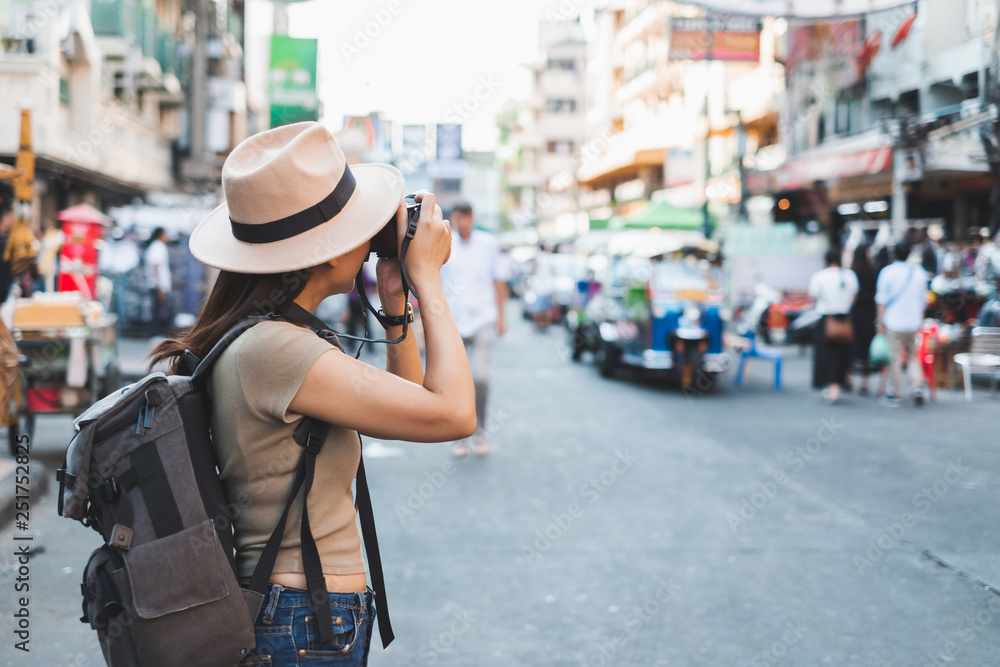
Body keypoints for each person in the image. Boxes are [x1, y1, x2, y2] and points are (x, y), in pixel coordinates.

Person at [150, 122, 475, 666]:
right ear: (323, 252)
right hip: (303, 620)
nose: (371, 237)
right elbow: (454, 414)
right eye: (359, 227)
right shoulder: (276, 350)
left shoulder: (271, 338)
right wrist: (431, 282)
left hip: (300, 615)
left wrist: (396, 301)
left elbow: (404, 403)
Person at [439, 201, 508, 456]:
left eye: (468, 218)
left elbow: (499, 281)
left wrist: (502, 316)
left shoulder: (488, 245)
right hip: (454, 320)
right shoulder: (446, 243)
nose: (464, 223)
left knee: (481, 378)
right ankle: (459, 434)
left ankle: (480, 430)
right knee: (456, 380)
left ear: (473, 218)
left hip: (483, 318)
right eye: (460, 218)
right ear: (455, 219)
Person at [875, 241, 931, 407]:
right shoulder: (920, 273)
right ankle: (917, 388)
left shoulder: (887, 272)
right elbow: (924, 301)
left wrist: (879, 323)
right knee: (912, 356)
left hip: (893, 321)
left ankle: (894, 392)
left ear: (894, 254)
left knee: (895, 358)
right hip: (913, 321)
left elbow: (881, 300)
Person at [809, 249, 859, 404]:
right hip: (844, 319)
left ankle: (830, 388)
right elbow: (854, 297)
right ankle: (837, 385)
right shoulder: (850, 276)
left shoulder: (819, 276)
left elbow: (814, 296)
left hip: (826, 319)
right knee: (841, 354)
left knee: (825, 354)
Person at [849, 245, 878, 395]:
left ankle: (848, 379)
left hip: (854, 314)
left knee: (852, 347)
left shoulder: (851, 272)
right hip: (869, 314)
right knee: (866, 350)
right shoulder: (873, 272)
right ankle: (864, 384)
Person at [144, 226, 172, 336]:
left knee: (157, 309)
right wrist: (160, 286)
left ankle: (156, 332)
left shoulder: (155, 246)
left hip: (157, 284)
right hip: (158, 285)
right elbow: (156, 266)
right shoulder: (158, 247)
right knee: (158, 310)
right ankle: (155, 333)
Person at [530, 244, 555, 331]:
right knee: (547, 309)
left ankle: (538, 324)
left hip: (540, 288)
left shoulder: (539, 257)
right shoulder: (549, 257)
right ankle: (545, 324)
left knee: (537, 309)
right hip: (548, 288)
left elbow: (533, 269)